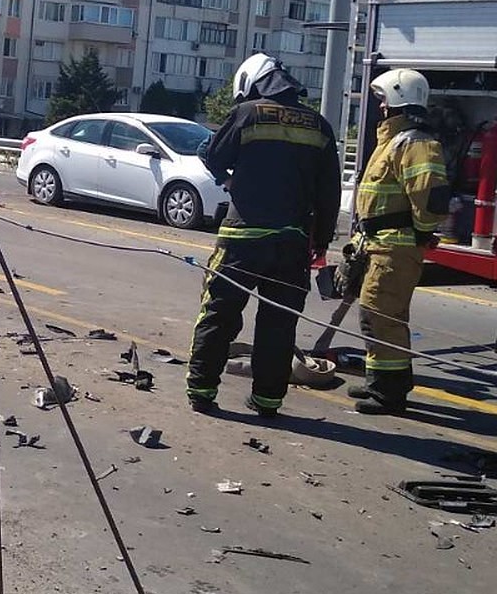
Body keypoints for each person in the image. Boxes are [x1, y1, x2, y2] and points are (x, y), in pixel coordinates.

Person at [187, 53, 341, 417]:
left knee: (219, 313)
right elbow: (329, 191)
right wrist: (320, 241)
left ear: (251, 83)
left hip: (243, 239)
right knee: (279, 323)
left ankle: (202, 391)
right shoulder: (319, 125)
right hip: (292, 243)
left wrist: (228, 179)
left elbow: (212, 153)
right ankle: (268, 400)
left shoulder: (247, 113)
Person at [348, 68, 449, 414]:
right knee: (381, 316)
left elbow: (429, 197)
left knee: (381, 315)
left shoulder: (414, 142)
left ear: (396, 99)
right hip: (381, 244)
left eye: (382, 100)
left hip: (396, 246)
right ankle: (382, 381)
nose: (379, 108)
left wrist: (420, 232)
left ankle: (388, 395)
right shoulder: (394, 140)